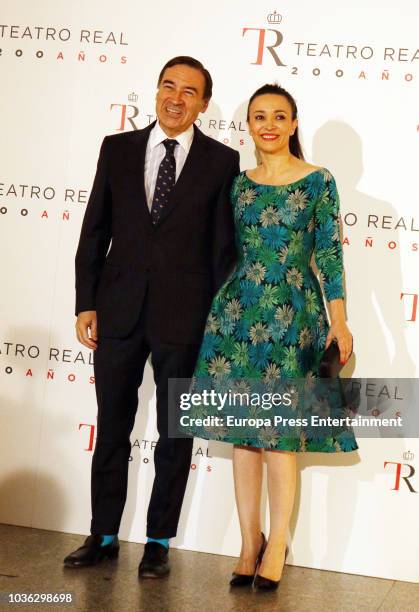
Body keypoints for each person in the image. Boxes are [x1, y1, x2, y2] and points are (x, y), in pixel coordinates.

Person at [63, 56, 240, 578]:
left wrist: (211, 318)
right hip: (117, 311)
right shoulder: (116, 149)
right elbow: (94, 230)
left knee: (174, 434)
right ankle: (103, 533)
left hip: (184, 320)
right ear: (156, 89)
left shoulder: (221, 162)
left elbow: (221, 251)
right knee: (112, 426)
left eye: (190, 91)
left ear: (203, 104)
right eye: (169, 86)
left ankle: (159, 541)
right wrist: (86, 301)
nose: (176, 98)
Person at [184, 84, 358, 590]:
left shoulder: (318, 181)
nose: (269, 124)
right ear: (250, 126)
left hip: (295, 317)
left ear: (294, 123)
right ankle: (248, 541)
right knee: (244, 437)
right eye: (259, 116)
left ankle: (277, 543)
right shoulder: (238, 186)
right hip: (238, 316)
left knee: (280, 439)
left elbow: (328, 255)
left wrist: (339, 320)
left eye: (279, 116)